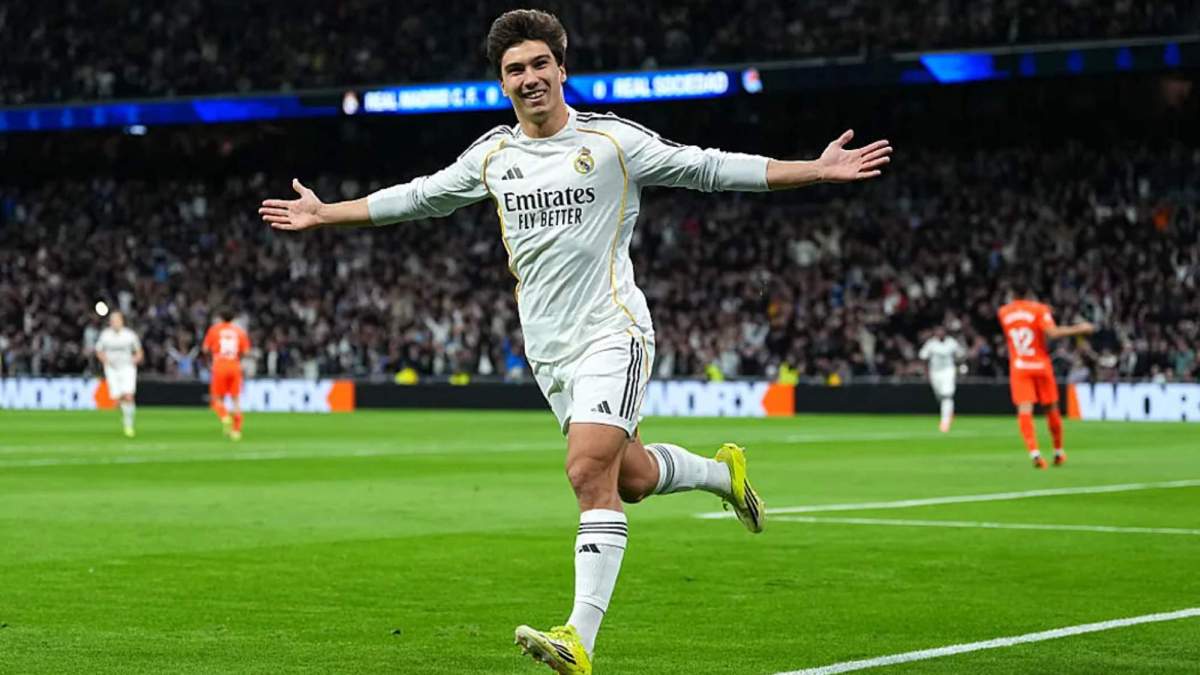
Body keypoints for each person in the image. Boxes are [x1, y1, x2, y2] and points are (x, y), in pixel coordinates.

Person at [259, 9, 891, 673]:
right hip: (549, 350)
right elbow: (421, 197)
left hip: (612, 330)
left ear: (562, 69)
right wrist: (327, 212)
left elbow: (706, 166)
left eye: (539, 65)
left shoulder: (612, 142)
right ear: (501, 83)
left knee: (587, 471)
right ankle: (721, 474)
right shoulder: (493, 156)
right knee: (634, 478)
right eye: (514, 70)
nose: (529, 78)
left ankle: (578, 637)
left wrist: (813, 171)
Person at [997, 283, 1095, 469]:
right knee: (1051, 408)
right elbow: (1053, 333)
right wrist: (1079, 328)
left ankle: (1035, 454)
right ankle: (1058, 452)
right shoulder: (1039, 309)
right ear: (1030, 293)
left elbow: (1018, 319)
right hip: (1040, 365)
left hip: (1019, 366)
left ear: (1012, 294)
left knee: (1025, 410)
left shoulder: (1004, 312)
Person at [202, 308, 251, 441]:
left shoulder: (214, 330)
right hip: (235, 366)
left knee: (216, 399)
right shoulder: (239, 331)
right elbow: (246, 352)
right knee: (235, 400)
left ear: (220, 317)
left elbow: (205, 349)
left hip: (219, 366)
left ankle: (224, 416)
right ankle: (236, 431)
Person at [94, 311, 143, 437]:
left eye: (117, 320)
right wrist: (105, 360)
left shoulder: (129, 335)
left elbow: (138, 351)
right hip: (112, 369)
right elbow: (99, 351)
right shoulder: (105, 335)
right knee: (117, 398)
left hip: (127, 368)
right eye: (112, 320)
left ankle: (129, 424)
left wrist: (135, 359)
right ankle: (126, 413)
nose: (114, 323)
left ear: (122, 321)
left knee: (128, 395)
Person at [918, 325, 964, 432]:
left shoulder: (951, 342)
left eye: (942, 331)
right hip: (935, 372)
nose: (940, 333)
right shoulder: (931, 344)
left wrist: (958, 365)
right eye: (938, 331)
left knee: (947, 395)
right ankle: (948, 412)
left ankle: (945, 422)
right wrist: (926, 371)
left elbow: (960, 354)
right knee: (939, 395)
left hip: (948, 371)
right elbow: (923, 356)